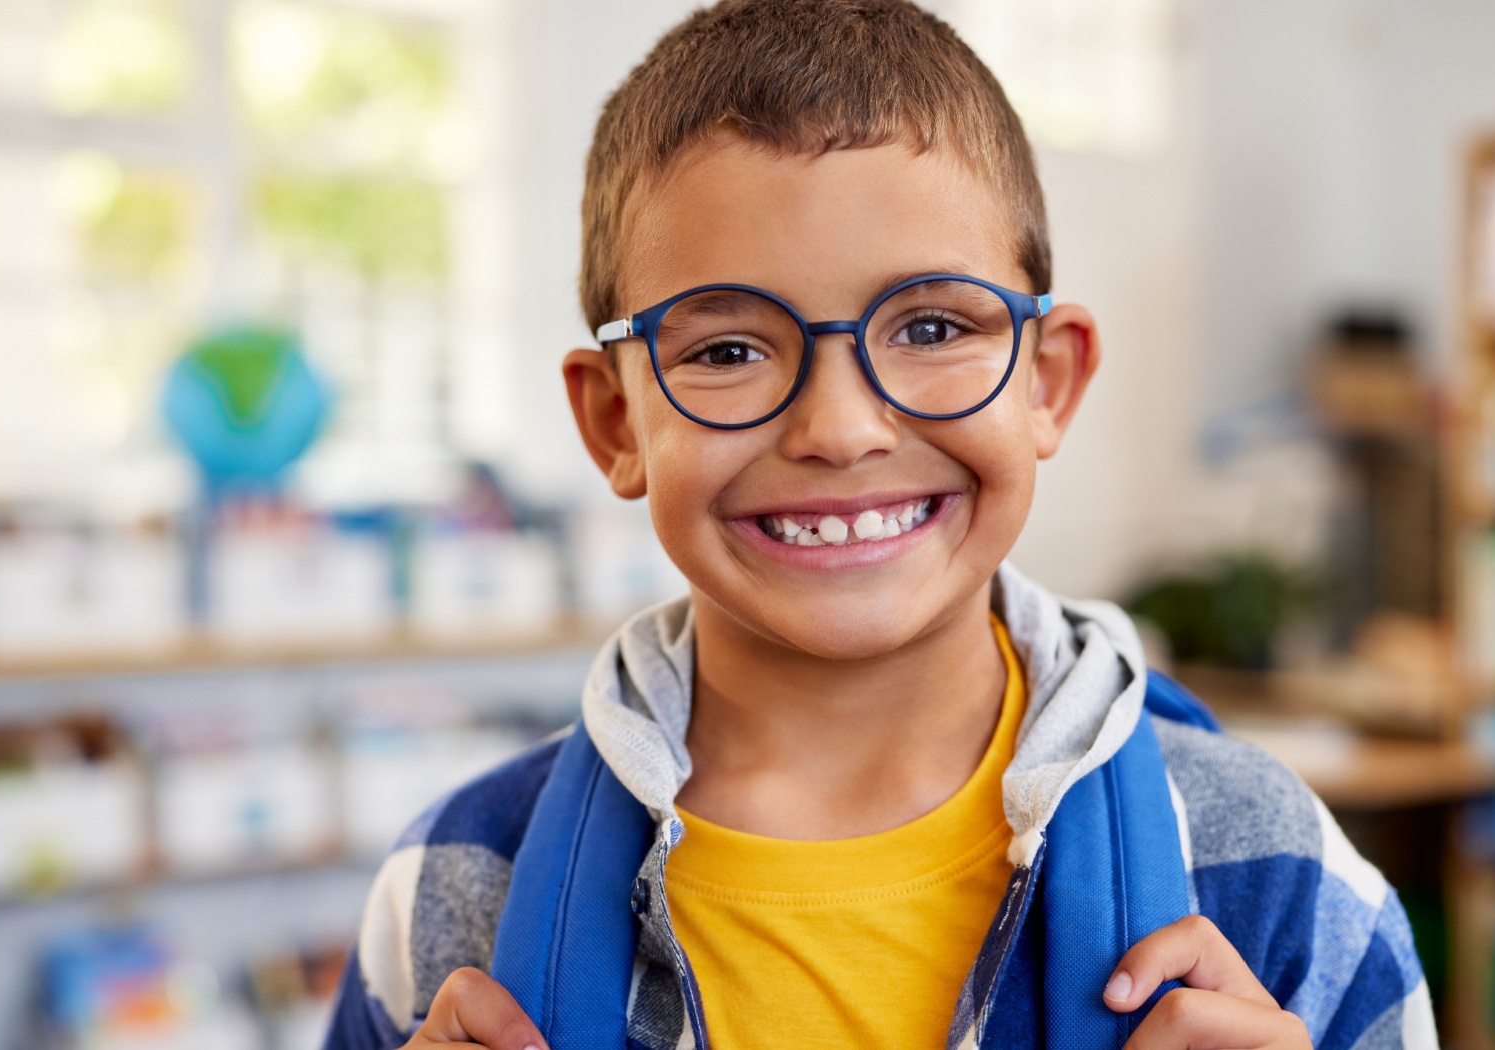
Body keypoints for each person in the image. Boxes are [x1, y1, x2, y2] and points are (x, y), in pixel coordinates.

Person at [324, 2, 1437, 1048]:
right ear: (614, 420)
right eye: (725, 350)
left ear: (1047, 381)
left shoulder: (1277, 874)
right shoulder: (456, 886)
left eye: (933, 325)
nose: (840, 427)